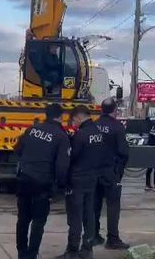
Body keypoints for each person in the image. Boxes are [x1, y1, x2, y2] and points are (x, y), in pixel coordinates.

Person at [14, 103, 70, 259]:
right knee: (38, 221)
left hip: (24, 178)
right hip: (42, 183)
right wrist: (61, 186)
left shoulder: (32, 129)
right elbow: (61, 166)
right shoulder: (61, 136)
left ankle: (21, 252)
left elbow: (17, 149)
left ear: (46, 114)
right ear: (61, 116)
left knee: (23, 218)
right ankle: (32, 254)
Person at [90, 98, 130, 250]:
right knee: (113, 205)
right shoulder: (117, 127)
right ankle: (112, 239)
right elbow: (124, 152)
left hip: (94, 171)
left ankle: (93, 235)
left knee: (94, 204)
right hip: (110, 171)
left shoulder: (93, 125)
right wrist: (119, 172)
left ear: (101, 109)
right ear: (115, 110)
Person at [61, 106, 100, 259]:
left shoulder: (81, 135)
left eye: (74, 120)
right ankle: (87, 248)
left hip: (77, 179)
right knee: (88, 214)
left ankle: (72, 251)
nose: (74, 123)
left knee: (75, 216)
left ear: (78, 117)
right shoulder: (98, 133)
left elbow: (72, 157)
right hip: (92, 178)